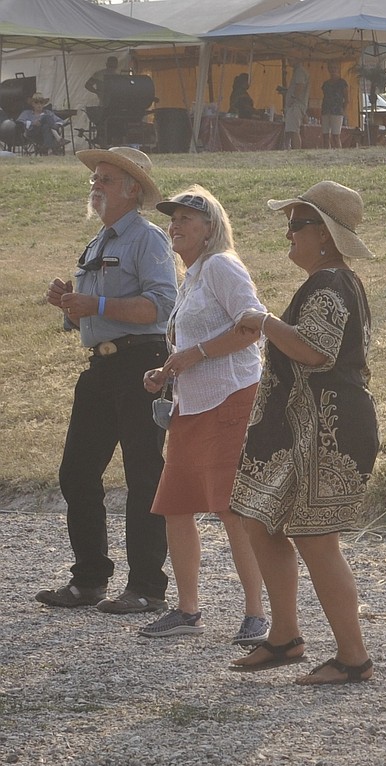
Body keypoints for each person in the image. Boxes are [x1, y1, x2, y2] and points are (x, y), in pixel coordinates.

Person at [228, 181, 378, 685]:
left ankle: (353, 655)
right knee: (259, 520)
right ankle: (285, 636)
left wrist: (265, 321)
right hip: (305, 431)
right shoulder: (332, 281)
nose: (288, 233)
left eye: (297, 224)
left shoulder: (330, 283)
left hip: (326, 431)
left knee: (316, 538)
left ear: (325, 234)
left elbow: (316, 351)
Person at [37, 147, 177, 614]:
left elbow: (160, 307)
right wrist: (71, 307)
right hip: (100, 368)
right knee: (76, 472)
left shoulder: (148, 239)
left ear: (133, 190)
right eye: (95, 178)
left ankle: (147, 588)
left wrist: (94, 306)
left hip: (142, 367)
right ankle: (90, 580)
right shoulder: (98, 243)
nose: (96, 185)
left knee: (143, 475)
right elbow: (92, 319)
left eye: (107, 179)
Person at [138, 187, 268, 644]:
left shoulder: (221, 266)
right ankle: (187, 609)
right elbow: (192, 343)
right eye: (173, 218)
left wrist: (196, 354)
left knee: (231, 510)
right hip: (190, 405)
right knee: (175, 506)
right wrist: (169, 369)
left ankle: (256, 614)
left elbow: (254, 325)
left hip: (231, 399)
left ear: (211, 226)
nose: (176, 225)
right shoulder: (191, 275)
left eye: (187, 218)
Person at [320, 62, 350, 150]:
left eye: (334, 68)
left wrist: (343, 111)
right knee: (325, 135)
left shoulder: (342, 83)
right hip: (326, 110)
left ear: (338, 69)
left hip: (337, 111)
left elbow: (347, 99)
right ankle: (326, 153)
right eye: (331, 68)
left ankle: (339, 153)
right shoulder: (326, 84)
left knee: (336, 135)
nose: (333, 70)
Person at [281, 57, 309, 150]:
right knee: (290, 130)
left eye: (291, 58)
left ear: (298, 59)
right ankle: (288, 149)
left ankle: (296, 151)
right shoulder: (297, 71)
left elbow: (300, 86)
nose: (289, 61)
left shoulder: (300, 71)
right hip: (294, 105)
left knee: (294, 130)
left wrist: (292, 98)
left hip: (295, 105)